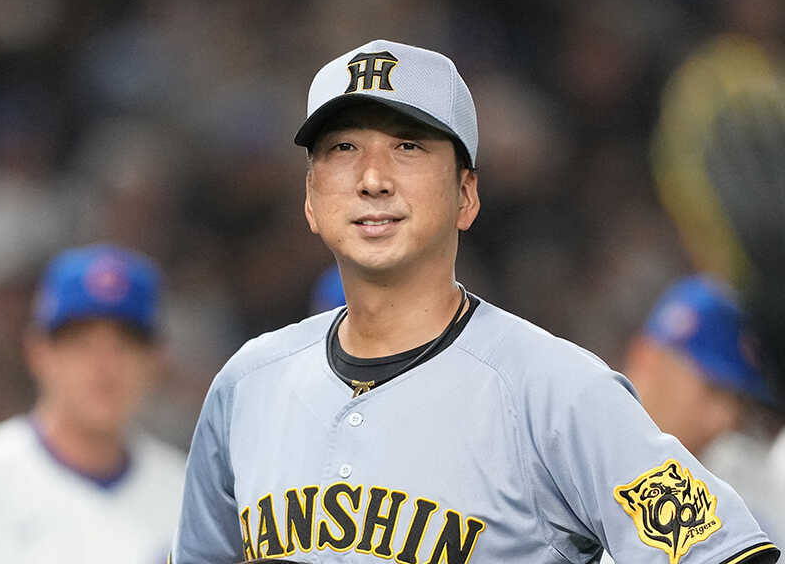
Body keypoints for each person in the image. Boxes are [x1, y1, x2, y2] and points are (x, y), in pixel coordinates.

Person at [171, 40, 779, 563]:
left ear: (466, 195)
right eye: (343, 148)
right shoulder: (245, 387)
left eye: (408, 147)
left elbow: (723, 552)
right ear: (310, 197)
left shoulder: (558, 391)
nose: (373, 178)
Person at [0, 244, 187, 563]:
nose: (103, 366)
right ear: (38, 352)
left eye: (124, 345)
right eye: (81, 344)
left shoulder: (189, 497)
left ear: (156, 359)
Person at [621, 275, 785, 544]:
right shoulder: (566, 457)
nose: (725, 419)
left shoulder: (736, 487)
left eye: (738, 401)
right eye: (712, 389)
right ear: (647, 359)